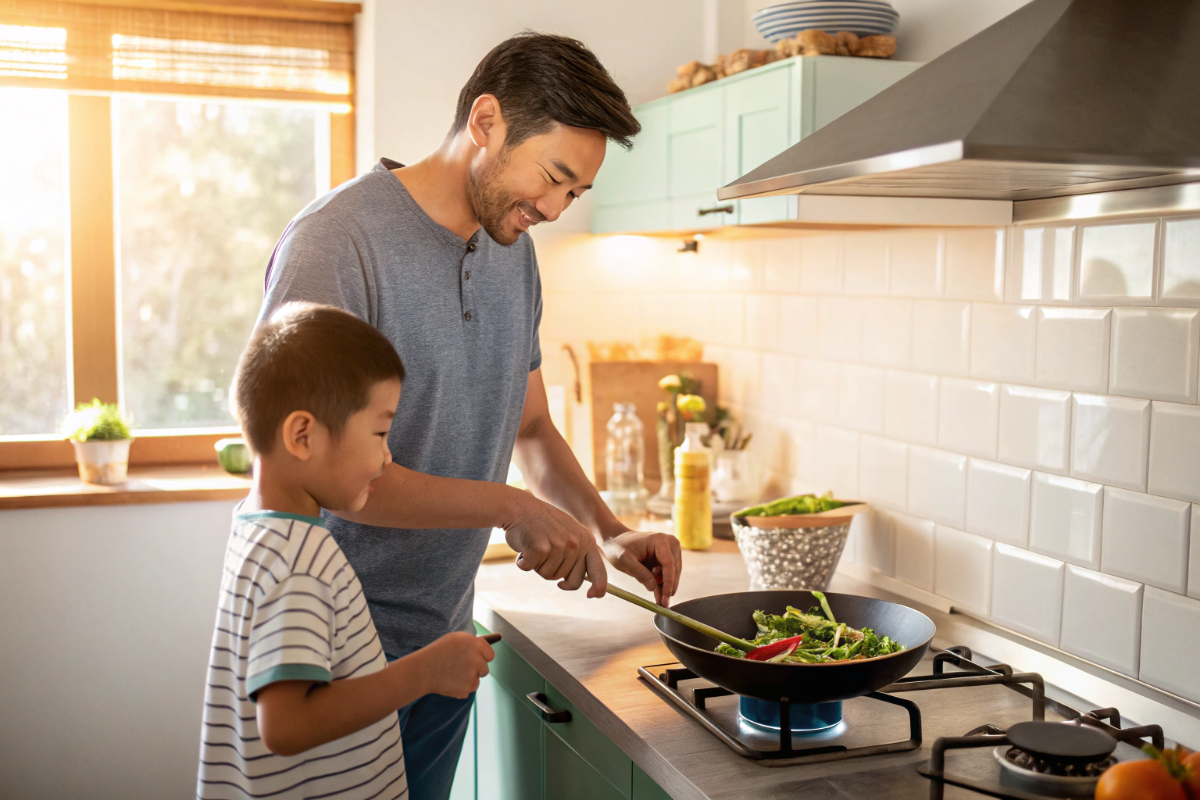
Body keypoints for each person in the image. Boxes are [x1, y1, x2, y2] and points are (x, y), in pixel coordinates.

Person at [258, 31, 683, 799]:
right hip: (331, 663)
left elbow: (529, 426)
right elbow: (314, 475)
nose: (554, 209)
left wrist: (609, 531)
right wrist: (510, 508)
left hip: (442, 647)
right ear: (485, 121)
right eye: (553, 178)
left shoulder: (511, 249)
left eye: (576, 194)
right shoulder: (336, 244)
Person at [197, 302, 496, 800]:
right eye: (380, 432)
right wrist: (425, 670)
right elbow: (287, 725)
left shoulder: (259, 528)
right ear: (302, 435)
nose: (387, 454)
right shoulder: (299, 564)